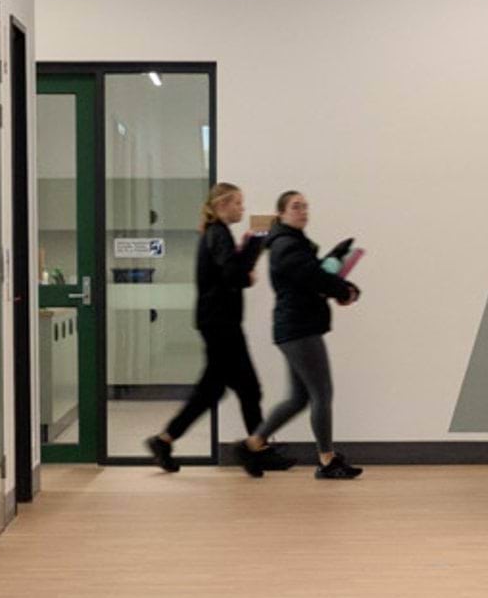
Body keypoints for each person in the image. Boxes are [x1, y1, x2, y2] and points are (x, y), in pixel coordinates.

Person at [144, 184, 284, 476]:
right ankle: (256, 450)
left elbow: (230, 271)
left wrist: (249, 245)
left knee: (213, 390)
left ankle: (164, 440)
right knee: (247, 388)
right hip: (221, 323)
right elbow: (232, 275)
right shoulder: (218, 234)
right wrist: (253, 247)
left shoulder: (215, 233)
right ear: (222, 205)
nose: (242, 209)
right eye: (238, 204)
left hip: (217, 321)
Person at [248, 189, 364, 480]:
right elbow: (312, 277)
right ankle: (327, 460)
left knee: (299, 398)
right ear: (282, 214)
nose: (303, 211)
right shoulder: (286, 244)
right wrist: (343, 290)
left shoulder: (290, 243)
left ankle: (253, 444)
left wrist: (335, 261)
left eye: (305, 206)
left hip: (296, 327)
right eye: (296, 206)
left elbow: (311, 274)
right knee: (321, 393)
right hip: (299, 329)